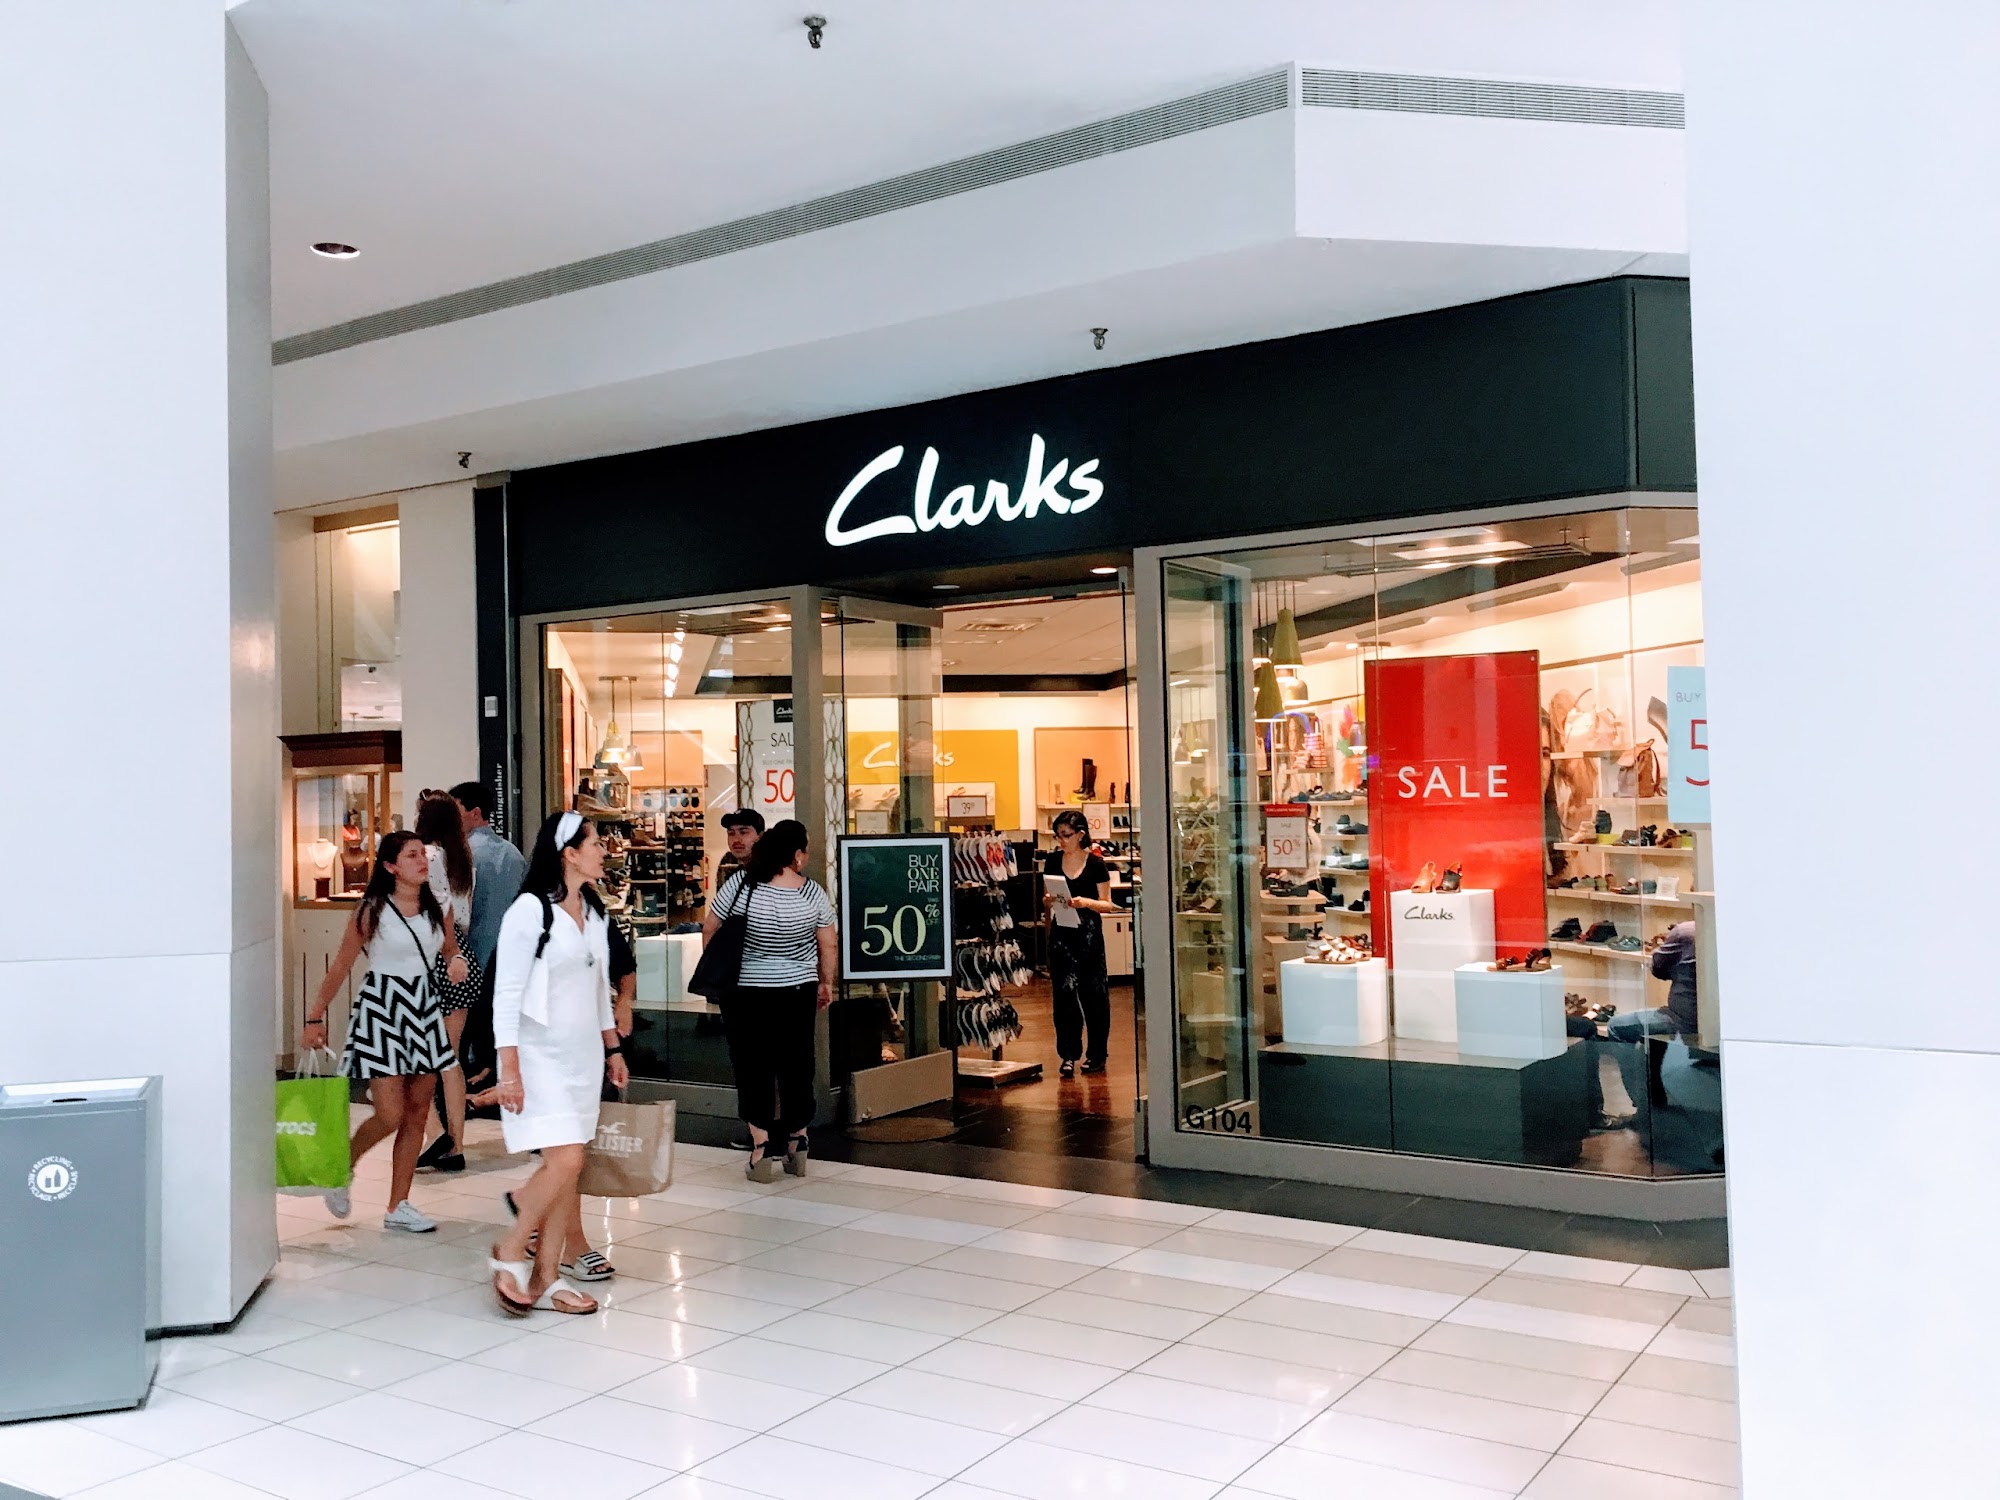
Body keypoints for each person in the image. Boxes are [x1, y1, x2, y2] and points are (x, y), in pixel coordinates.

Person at [487, 812, 629, 1315]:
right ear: (569, 853)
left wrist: (612, 1048)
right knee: (565, 1160)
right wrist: (509, 1069)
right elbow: (506, 995)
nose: (603, 851)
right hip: (537, 1055)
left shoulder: (595, 912)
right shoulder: (529, 910)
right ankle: (510, 1248)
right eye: (595, 844)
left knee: (568, 1168)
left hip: (582, 1057)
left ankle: (547, 1277)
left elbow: (598, 988)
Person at [301, 829, 467, 1231]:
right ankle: (343, 1165)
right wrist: (315, 1017)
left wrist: (456, 959)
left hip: (423, 1006)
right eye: (412, 856)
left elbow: (448, 948)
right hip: (383, 1008)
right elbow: (341, 965)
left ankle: (399, 1204)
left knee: (417, 1112)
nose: (422, 861)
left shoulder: (439, 907)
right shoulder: (372, 910)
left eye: (423, 854)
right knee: (390, 1113)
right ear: (391, 866)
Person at [702, 818, 836, 1182]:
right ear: (796, 855)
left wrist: (720, 973)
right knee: (797, 1063)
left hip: (746, 992)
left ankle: (761, 1147)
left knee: (752, 1066)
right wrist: (826, 983)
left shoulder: (741, 885)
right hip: (798, 991)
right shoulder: (812, 892)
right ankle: (798, 1141)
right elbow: (827, 942)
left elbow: (711, 926)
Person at [413, 792, 475, 1172]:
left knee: (420, 1053)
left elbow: (436, 910)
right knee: (451, 1057)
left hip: (437, 953)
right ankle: (456, 1144)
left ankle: (437, 1135)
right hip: (462, 955)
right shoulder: (463, 860)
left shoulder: (429, 856)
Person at [1043, 809, 1116, 1079]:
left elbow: (1107, 904)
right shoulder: (1053, 862)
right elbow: (1047, 898)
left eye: (1066, 835)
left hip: (1088, 936)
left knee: (1094, 996)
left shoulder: (1095, 864)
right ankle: (1068, 1054)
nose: (1061, 840)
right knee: (1064, 997)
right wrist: (1048, 901)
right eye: (1058, 836)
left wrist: (1085, 902)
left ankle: (1097, 1053)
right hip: (1062, 935)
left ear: (1081, 835)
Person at [1607, 919, 1699, 1124]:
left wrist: (1665, 947)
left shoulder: (1684, 931)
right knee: (1653, 1038)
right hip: (1709, 1018)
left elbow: (1658, 969)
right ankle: (1655, 1102)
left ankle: (1643, 1107)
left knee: (1616, 1026)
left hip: (1682, 1017)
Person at [715, 806, 764, 889]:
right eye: (731, 833)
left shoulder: (773, 871)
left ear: (760, 836)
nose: (736, 839)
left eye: (743, 832)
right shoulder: (729, 861)